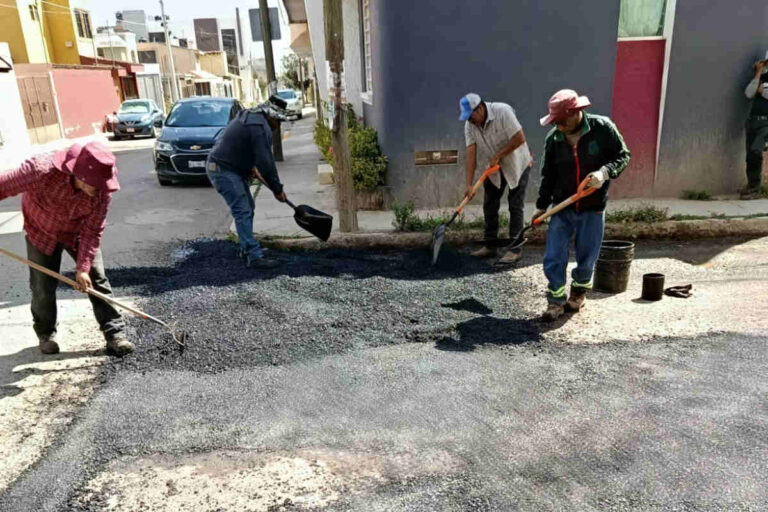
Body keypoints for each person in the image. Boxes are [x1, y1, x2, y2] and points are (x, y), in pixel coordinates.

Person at [0, 142, 133, 356]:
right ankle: (46, 335)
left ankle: (114, 333)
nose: (99, 189)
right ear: (79, 175)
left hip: (78, 234)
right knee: (42, 287)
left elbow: (93, 231)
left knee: (96, 279)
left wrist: (82, 268)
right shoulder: (41, 170)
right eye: (95, 184)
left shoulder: (101, 192)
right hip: (41, 232)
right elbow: (3, 185)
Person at [534, 89, 630, 321]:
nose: (557, 126)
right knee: (554, 255)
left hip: (593, 206)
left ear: (577, 113)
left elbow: (623, 155)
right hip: (563, 206)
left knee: (587, 256)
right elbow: (548, 175)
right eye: (553, 122)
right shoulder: (554, 139)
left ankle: (577, 294)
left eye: (560, 121)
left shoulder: (602, 128)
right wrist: (541, 206)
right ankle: (555, 300)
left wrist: (604, 173)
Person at [207, 107, 287, 268]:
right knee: (242, 209)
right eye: (278, 121)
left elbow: (243, 146)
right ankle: (253, 256)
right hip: (222, 169)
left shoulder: (252, 119)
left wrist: (248, 166)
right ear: (271, 117)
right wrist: (277, 189)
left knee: (248, 207)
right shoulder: (259, 127)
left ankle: (246, 247)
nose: (278, 125)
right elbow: (266, 163)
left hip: (228, 167)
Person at [460, 93, 533, 264]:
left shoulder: (503, 111)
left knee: (515, 206)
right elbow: (471, 154)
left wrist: (500, 154)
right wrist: (469, 184)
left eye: (471, 117)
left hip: (517, 165)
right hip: (494, 170)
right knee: (489, 205)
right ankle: (490, 245)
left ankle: (515, 249)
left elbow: (520, 137)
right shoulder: (469, 125)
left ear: (479, 109)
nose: (470, 121)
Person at [741, 53, 768, 200]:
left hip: (766, 123)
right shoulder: (761, 78)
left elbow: (762, 92)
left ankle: (756, 187)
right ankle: (751, 185)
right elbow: (748, 93)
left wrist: (763, 91)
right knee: (750, 155)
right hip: (753, 121)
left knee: (756, 150)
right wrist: (758, 74)